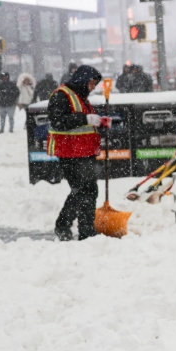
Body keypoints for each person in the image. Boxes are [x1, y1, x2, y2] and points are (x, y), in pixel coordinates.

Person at [47, 65, 109, 240]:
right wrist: (85, 118)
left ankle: (84, 229)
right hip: (69, 152)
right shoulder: (61, 95)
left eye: (95, 84)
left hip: (84, 152)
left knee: (89, 190)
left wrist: (99, 123)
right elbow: (58, 121)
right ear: (82, 80)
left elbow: (83, 125)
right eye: (91, 83)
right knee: (81, 190)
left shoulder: (81, 98)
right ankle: (66, 225)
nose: (93, 87)